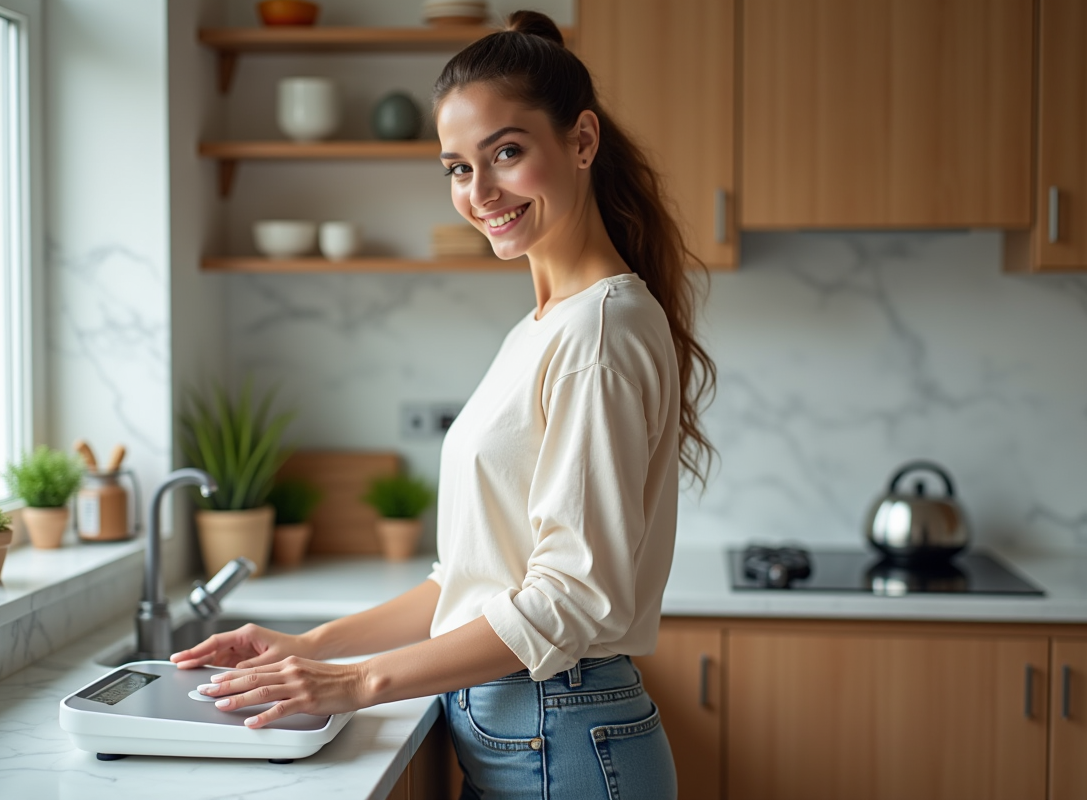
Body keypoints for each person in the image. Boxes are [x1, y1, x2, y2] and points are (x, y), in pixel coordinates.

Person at [170, 11, 715, 799]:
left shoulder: (599, 327)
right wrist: (312, 646)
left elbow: (570, 595)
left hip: (560, 734)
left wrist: (355, 686)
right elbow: (467, 580)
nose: (480, 191)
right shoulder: (544, 325)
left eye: (507, 152)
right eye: (457, 167)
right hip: (528, 731)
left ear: (582, 140)